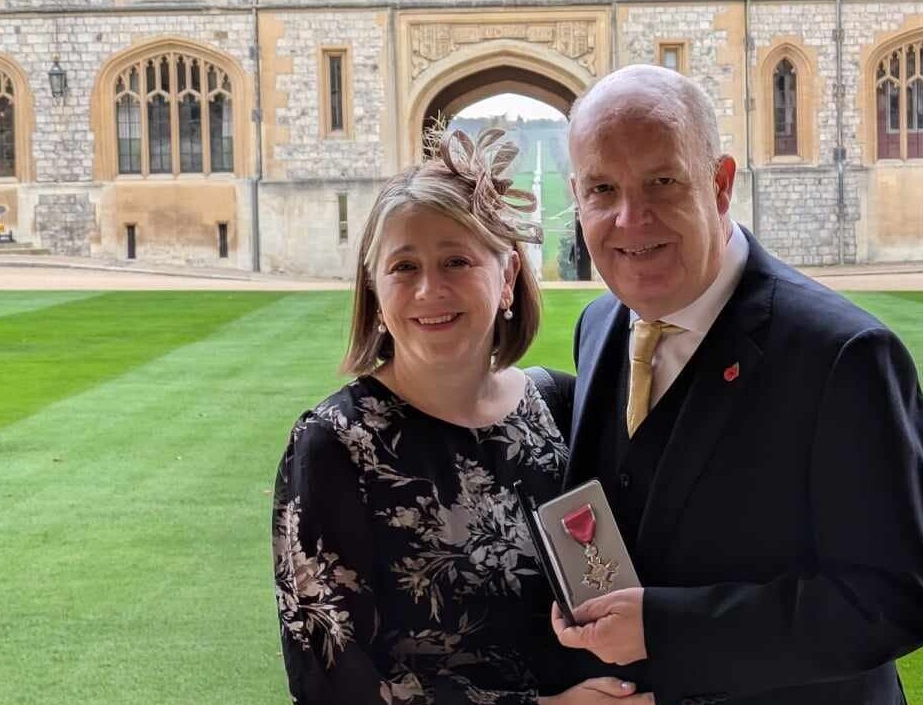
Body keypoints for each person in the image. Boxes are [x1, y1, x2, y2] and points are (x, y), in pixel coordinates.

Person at [551, 65, 923, 704]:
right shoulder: (600, 323)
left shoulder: (843, 356)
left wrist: (665, 629)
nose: (631, 220)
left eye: (662, 181)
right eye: (602, 189)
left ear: (720, 183)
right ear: (578, 197)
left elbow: (897, 599)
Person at [271, 128, 650, 705]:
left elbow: (619, 587)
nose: (430, 289)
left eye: (456, 260)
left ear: (507, 280)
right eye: (403, 267)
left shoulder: (562, 407)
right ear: (374, 293)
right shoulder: (336, 444)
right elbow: (331, 680)